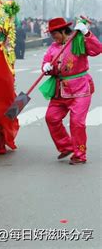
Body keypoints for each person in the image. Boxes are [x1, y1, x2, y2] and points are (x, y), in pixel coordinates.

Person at [40, 17, 102, 165]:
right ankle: (66, 146)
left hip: (80, 89)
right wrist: (46, 67)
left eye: (55, 33)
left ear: (63, 31)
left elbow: (97, 49)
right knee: (51, 118)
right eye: (51, 34)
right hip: (60, 90)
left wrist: (87, 34)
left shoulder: (78, 41)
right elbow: (46, 63)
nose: (53, 37)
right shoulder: (53, 48)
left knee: (77, 123)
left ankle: (80, 154)